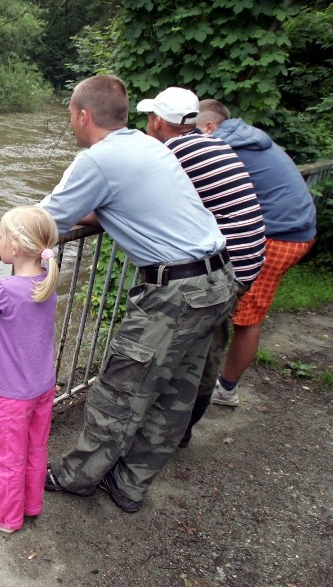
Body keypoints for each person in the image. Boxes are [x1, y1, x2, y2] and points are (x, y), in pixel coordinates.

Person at [38, 75, 235, 514]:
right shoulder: (147, 146)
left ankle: (77, 478)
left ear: (83, 116)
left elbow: (42, 223)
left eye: (71, 114)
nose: (71, 120)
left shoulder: (99, 159)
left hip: (179, 292)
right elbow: (118, 201)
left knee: (121, 389)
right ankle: (129, 485)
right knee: (174, 393)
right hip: (219, 279)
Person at [136, 87, 266, 447]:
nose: (147, 124)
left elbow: (134, 200)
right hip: (247, 259)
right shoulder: (213, 144)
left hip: (222, 267)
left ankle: (167, 434)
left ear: (159, 121)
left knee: (188, 353)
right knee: (207, 345)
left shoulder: (173, 153)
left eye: (149, 118)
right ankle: (181, 430)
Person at [196, 100, 317, 406]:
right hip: (294, 231)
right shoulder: (247, 138)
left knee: (247, 317)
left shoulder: (225, 148)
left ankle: (225, 389)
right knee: (241, 311)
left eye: (193, 130)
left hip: (280, 236)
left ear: (209, 127)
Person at [0, 205, 60, 533]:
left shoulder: (3, 291)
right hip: (42, 386)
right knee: (34, 447)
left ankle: (4, 516)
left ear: (13, 248)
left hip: (12, 394)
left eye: (0, 237)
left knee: (6, 456)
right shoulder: (47, 281)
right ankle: (30, 504)